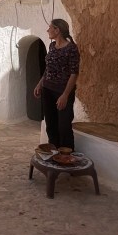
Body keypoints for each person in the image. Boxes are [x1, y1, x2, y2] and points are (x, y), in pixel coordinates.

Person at [32, 19, 80, 151]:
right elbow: (49, 68)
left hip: (62, 92)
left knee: (64, 127)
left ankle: (67, 156)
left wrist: (65, 95)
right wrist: (40, 84)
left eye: (50, 28)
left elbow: (74, 73)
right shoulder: (52, 46)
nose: (48, 30)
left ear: (57, 30)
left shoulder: (71, 48)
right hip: (47, 90)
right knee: (51, 125)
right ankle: (54, 154)